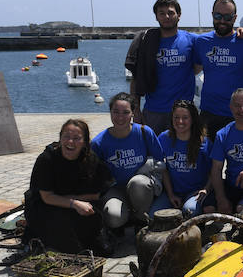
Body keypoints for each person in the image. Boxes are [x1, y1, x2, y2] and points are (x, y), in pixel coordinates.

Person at [24, 119, 113, 254]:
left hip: (75, 202)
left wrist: (71, 200)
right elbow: (47, 197)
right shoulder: (47, 159)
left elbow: (95, 194)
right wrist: (74, 203)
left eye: (76, 138)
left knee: (95, 222)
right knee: (62, 226)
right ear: (60, 138)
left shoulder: (90, 159)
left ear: (84, 142)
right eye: (66, 137)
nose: (70, 142)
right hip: (45, 206)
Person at [125, 0, 198, 135]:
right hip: (153, 112)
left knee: (182, 155)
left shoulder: (192, 40)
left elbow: (198, 67)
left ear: (179, 15)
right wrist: (136, 111)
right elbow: (137, 79)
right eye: (162, 13)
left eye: (171, 12)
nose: (167, 16)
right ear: (156, 17)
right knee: (153, 155)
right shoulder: (146, 42)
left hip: (183, 113)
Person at [91, 93, 165, 230]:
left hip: (141, 187)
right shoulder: (99, 143)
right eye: (116, 112)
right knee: (114, 218)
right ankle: (126, 217)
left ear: (133, 113)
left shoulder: (144, 132)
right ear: (110, 112)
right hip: (116, 189)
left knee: (138, 183)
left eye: (125, 112)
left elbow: (160, 162)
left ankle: (140, 220)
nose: (120, 117)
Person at [193, 0, 243, 139]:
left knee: (240, 160)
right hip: (209, 113)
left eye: (227, 17)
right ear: (212, 15)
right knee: (205, 159)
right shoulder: (202, 42)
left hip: (239, 114)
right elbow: (192, 70)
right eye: (218, 16)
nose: (222, 21)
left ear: (235, 18)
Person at [150, 100, 216, 217]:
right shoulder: (164, 138)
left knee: (189, 211)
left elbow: (214, 171)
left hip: (195, 191)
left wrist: (206, 189)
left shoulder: (204, 142)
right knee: (153, 216)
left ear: (192, 119)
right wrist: (170, 195)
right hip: (172, 191)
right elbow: (163, 169)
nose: (180, 121)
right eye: (176, 117)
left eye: (185, 117)